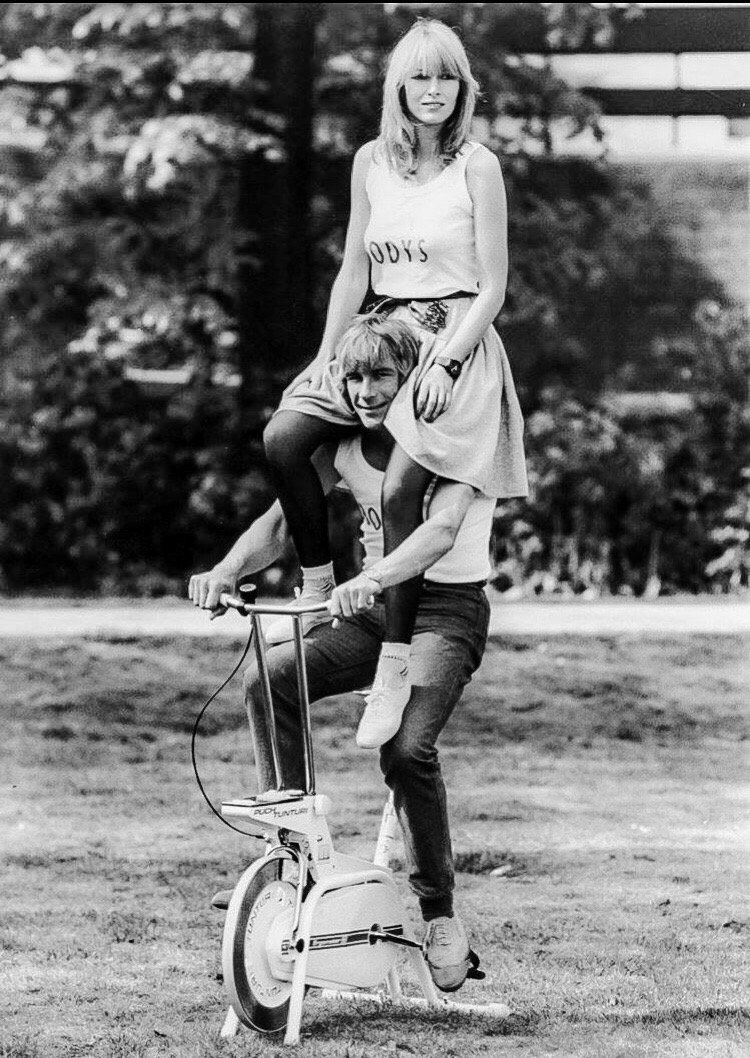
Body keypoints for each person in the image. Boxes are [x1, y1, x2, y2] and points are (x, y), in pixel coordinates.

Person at [189, 313, 500, 992]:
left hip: (446, 612)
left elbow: (441, 531)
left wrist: (373, 576)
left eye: (381, 376)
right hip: (373, 612)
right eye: (354, 377)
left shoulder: (454, 439)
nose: (365, 391)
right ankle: (292, 859)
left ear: (412, 376)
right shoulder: (349, 448)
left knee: (407, 749)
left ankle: (439, 913)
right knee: (271, 677)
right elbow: (279, 523)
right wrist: (226, 569)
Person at [261, 18, 527, 748]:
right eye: (419, 77)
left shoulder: (478, 166)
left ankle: (395, 659)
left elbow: (494, 286)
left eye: (446, 77)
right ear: (398, 88)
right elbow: (355, 267)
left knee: (405, 488)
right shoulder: (371, 161)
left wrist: (447, 362)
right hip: (381, 334)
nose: (432, 90)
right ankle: (318, 584)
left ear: (462, 89)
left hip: (454, 336)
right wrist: (325, 356)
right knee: (284, 437)